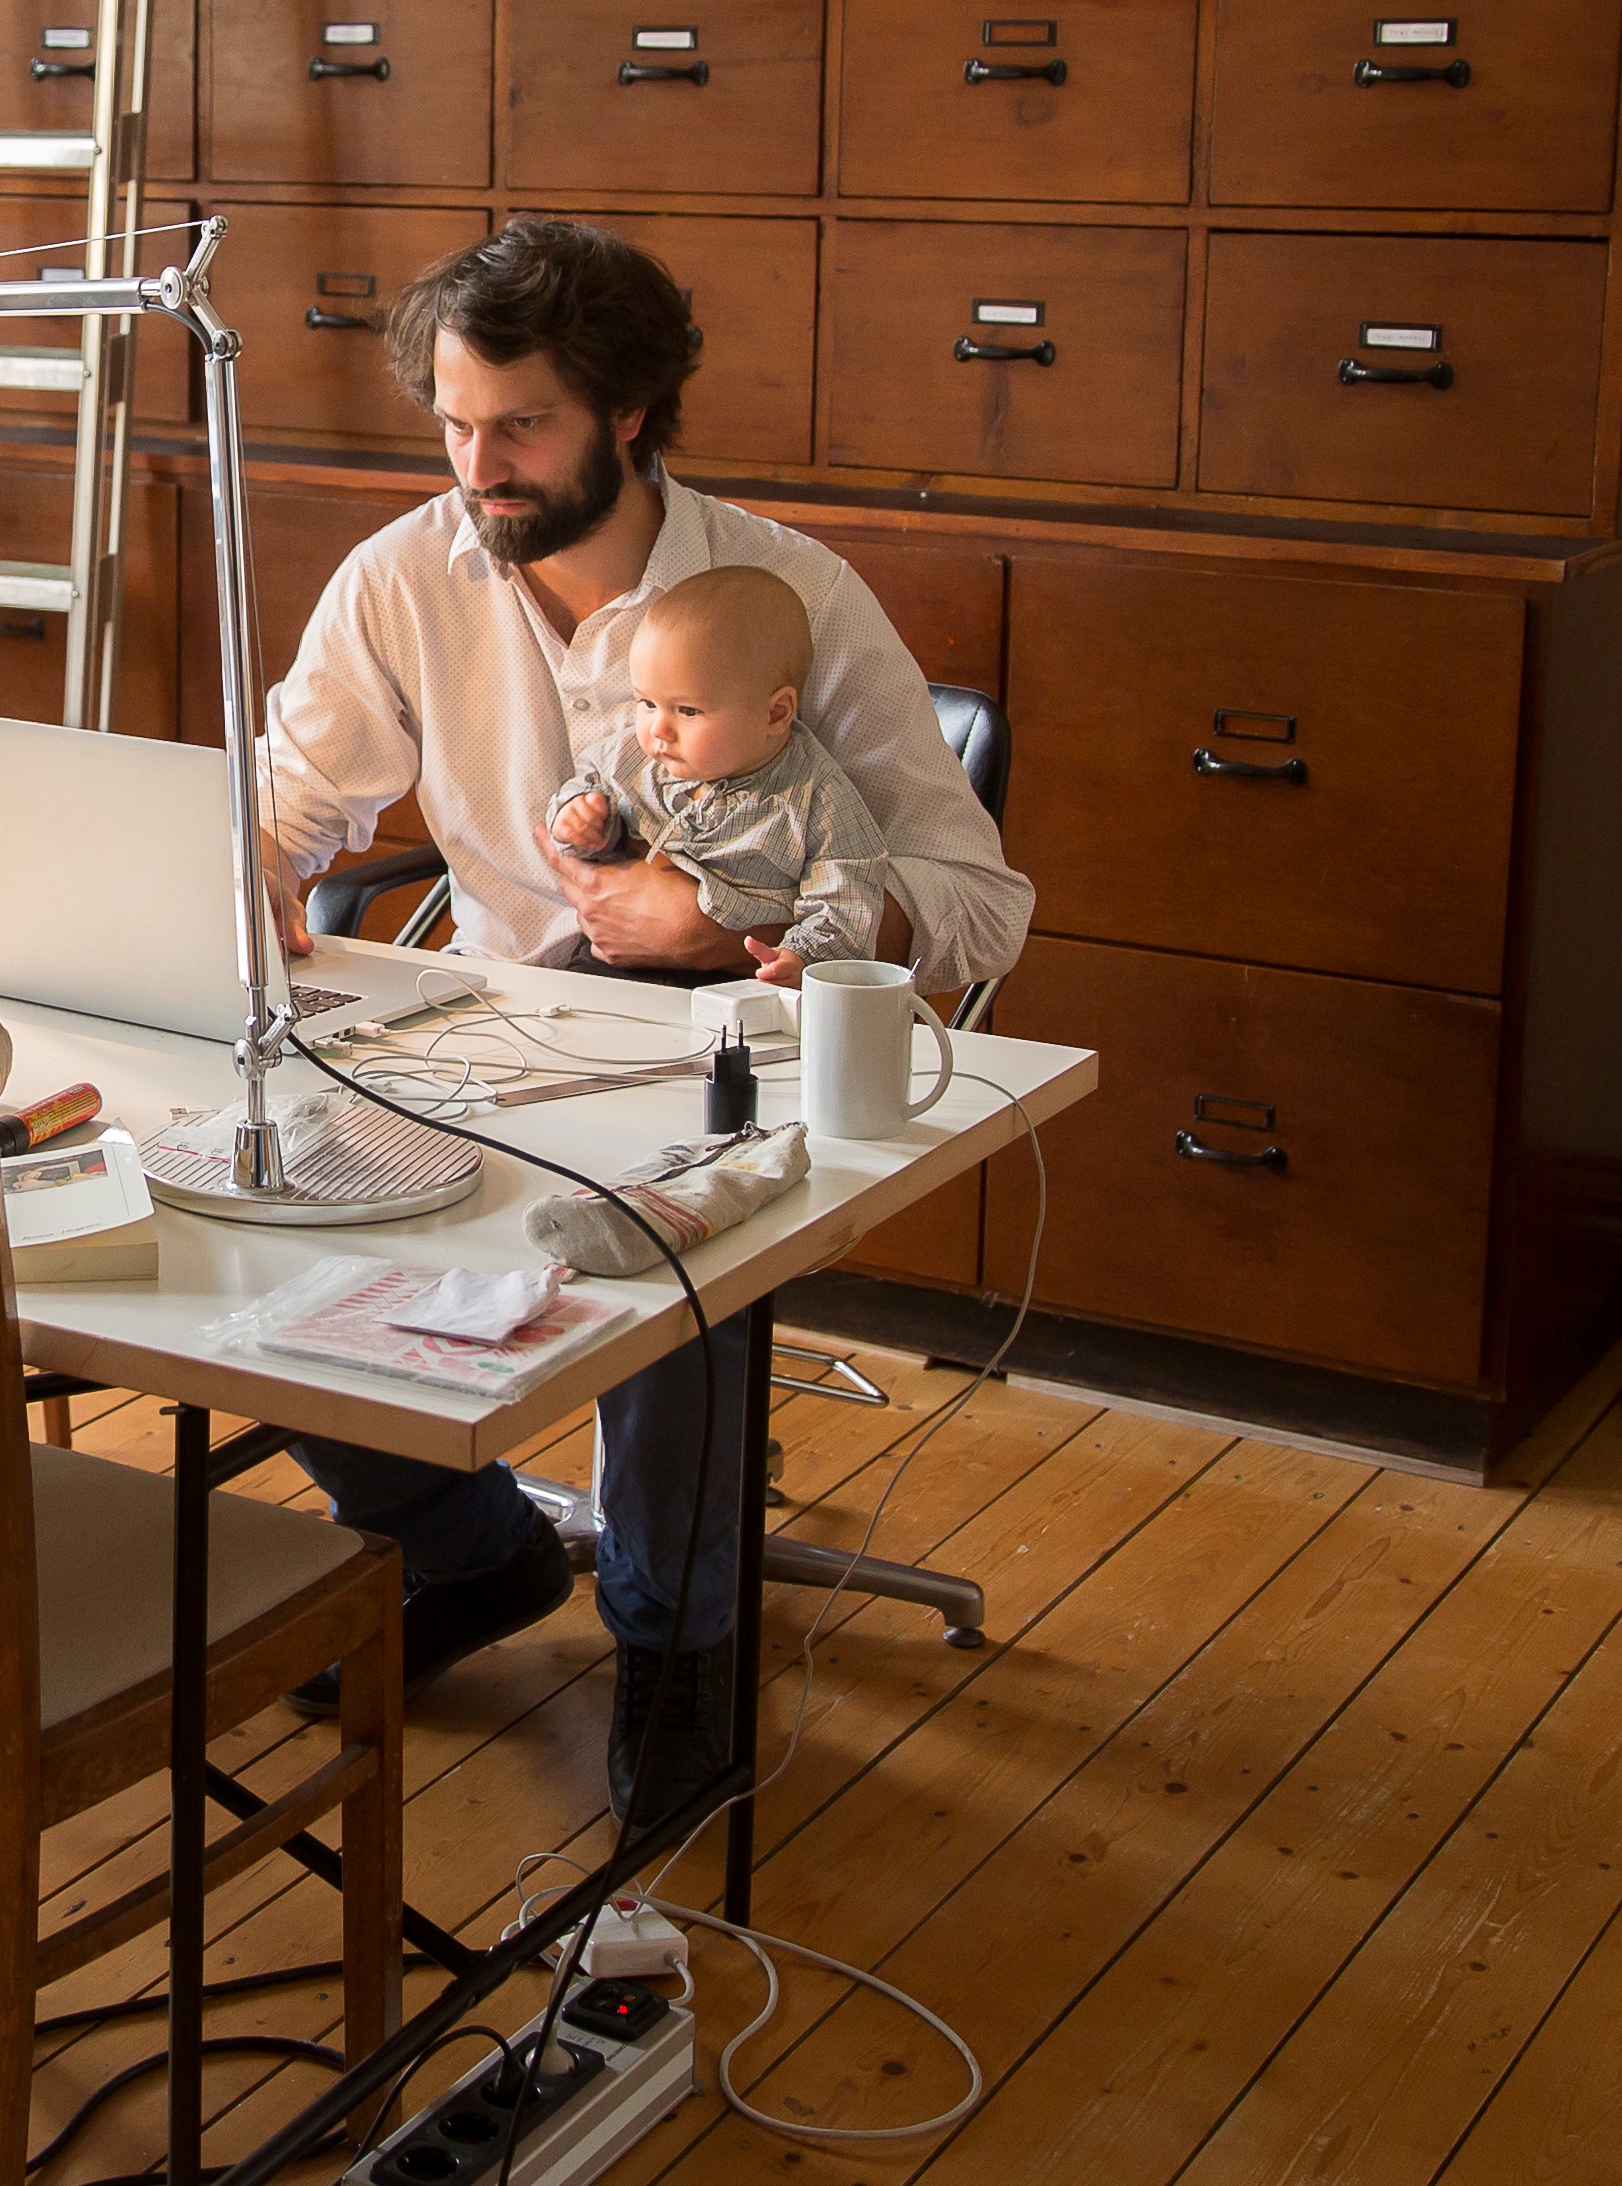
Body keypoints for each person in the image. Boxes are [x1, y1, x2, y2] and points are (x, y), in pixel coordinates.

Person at [252, 220, 1031, 1830]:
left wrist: (749, 923)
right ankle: (470, 1549)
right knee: (240, 1182)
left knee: (673, 1256)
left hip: (715, 1044)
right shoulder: (405, 575)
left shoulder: (783, 596)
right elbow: (288, 799)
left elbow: (976, 896)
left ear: (624, 413)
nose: (478, 465)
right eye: (454, 424)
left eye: (518, 425)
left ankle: (679, 1649)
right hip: (491, 1033)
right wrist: (256, 863)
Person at [540, 564, 883, 988]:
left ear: (776, 712)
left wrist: (804, 957)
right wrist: (580, 818)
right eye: (646, 702)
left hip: (734, 981)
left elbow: (846, 894)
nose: (658, 729)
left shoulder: (815, 796)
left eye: (687, 711)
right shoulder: (630, 757)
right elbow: (587, 784)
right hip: (608, 962)